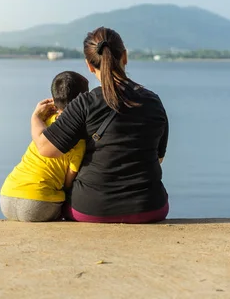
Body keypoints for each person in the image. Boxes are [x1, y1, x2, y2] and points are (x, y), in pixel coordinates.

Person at [31, 27, 169, 223]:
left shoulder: (84, 103)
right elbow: (158, 158)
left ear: (89, 65)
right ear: (125, 57)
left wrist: (35, 119)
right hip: (150, 207)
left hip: (92, 209)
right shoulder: (153, 102)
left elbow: (45, 148)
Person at [0, 71, 89, 222]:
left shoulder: (44, 121)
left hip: (7, 196)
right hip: (39, 204)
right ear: (84, 100)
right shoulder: (78, 138)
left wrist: (36, 115)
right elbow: (68, 182)